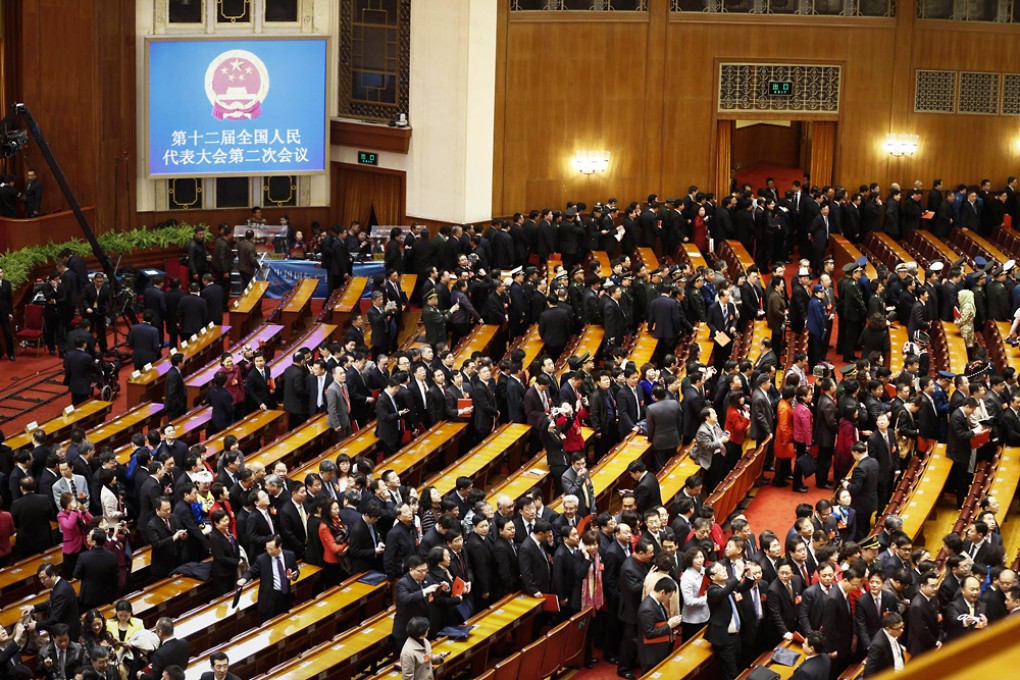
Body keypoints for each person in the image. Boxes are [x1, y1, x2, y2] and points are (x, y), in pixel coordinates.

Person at [237, 534, 300, 622]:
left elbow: (295, 570)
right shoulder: (262, 559)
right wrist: (244, 578)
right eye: (267, 548)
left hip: (285, 598)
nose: (269, 551)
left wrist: (294, 575)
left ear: (279, 546)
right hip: (269, 600)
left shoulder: (289, 555)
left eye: (271, 549)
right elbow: (252, 571)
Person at [393, 555, 444, 655]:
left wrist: (441, 588)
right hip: (406, 629)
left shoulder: (427, 578)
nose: (423, 573)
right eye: (420, 571)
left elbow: (433, 593)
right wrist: (424, 591)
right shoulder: (403, 583)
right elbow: (405, 598)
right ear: (411, 569)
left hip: (422, 626)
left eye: (425, 570)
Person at [637, 576, 683, 673]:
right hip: (651, 653)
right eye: (669, 595)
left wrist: (670, 626)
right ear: (662, 592)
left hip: (659, 649)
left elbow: (659, 622)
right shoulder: (647, 609)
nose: (670, 598)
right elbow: (650, 633)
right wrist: (669, 625)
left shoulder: (656, 602)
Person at [26, 563, 81, 640]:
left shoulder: (61, 591)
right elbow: (51, 602)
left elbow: (55, 619)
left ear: (53, 575)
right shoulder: (59, 585)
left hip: (67, 634)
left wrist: (36, 625)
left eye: (44, 578)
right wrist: (34, 607)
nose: (42, 581)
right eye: (40, 579)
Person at [73, 528, 119, 610]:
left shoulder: (83, 557)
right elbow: (116, 578)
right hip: (107, 595)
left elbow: (76, 575)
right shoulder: (112, 556)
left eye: (89, 536)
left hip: (89, 597)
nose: (87, 536)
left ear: (94, 542)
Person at [208, 508, 242, 596]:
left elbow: (235, 545)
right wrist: (236, 562)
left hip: (232, 570)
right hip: (223, 575)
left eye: (227, 519)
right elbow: (220, 558)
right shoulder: (215, 538)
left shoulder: (227, 531)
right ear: (216, 523)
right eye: (224, 521)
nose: (227, 522)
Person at [863, 612, 906, 677]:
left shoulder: (895, 633)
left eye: (902, 626)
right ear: (888, 629)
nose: (902, 630)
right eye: (898, 628)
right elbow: (868, 673)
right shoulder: (878, 645)